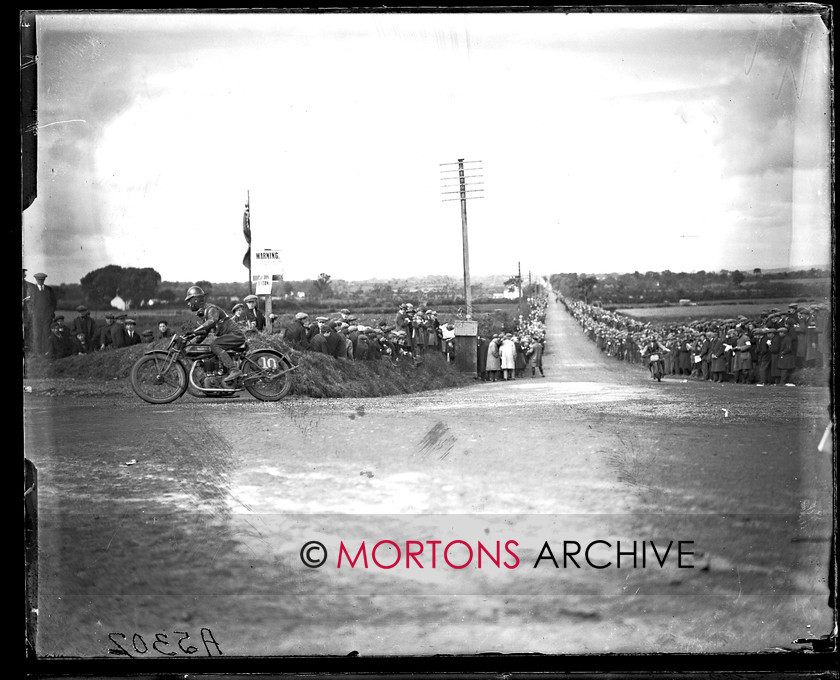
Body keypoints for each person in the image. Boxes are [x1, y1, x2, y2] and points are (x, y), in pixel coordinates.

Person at [184, 285, 246, 385]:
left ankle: (234, 370)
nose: (188, 303)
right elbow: (203, 334)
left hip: (235, 335)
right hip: (230, 336)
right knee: (210, 352)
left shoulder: (210, 309)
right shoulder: (205, 313)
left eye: (189, 300)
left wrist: (195, 330)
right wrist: (190, 341)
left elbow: (212, 321)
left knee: (214, 345)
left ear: (195, 300)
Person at [28, 272, 58, 355]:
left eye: (42, 280)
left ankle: (47, 351)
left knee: (47, 334)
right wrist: (32, 313)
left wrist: (51, 312)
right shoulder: (31, 290)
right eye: (39, 280)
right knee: (37, 334)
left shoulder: (49, 290)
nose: (41, 281)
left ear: (44, 280)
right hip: (36, 317)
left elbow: (54, 302)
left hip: (47, 316)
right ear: (36, 280)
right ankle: (38, 353)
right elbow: (29, 304)